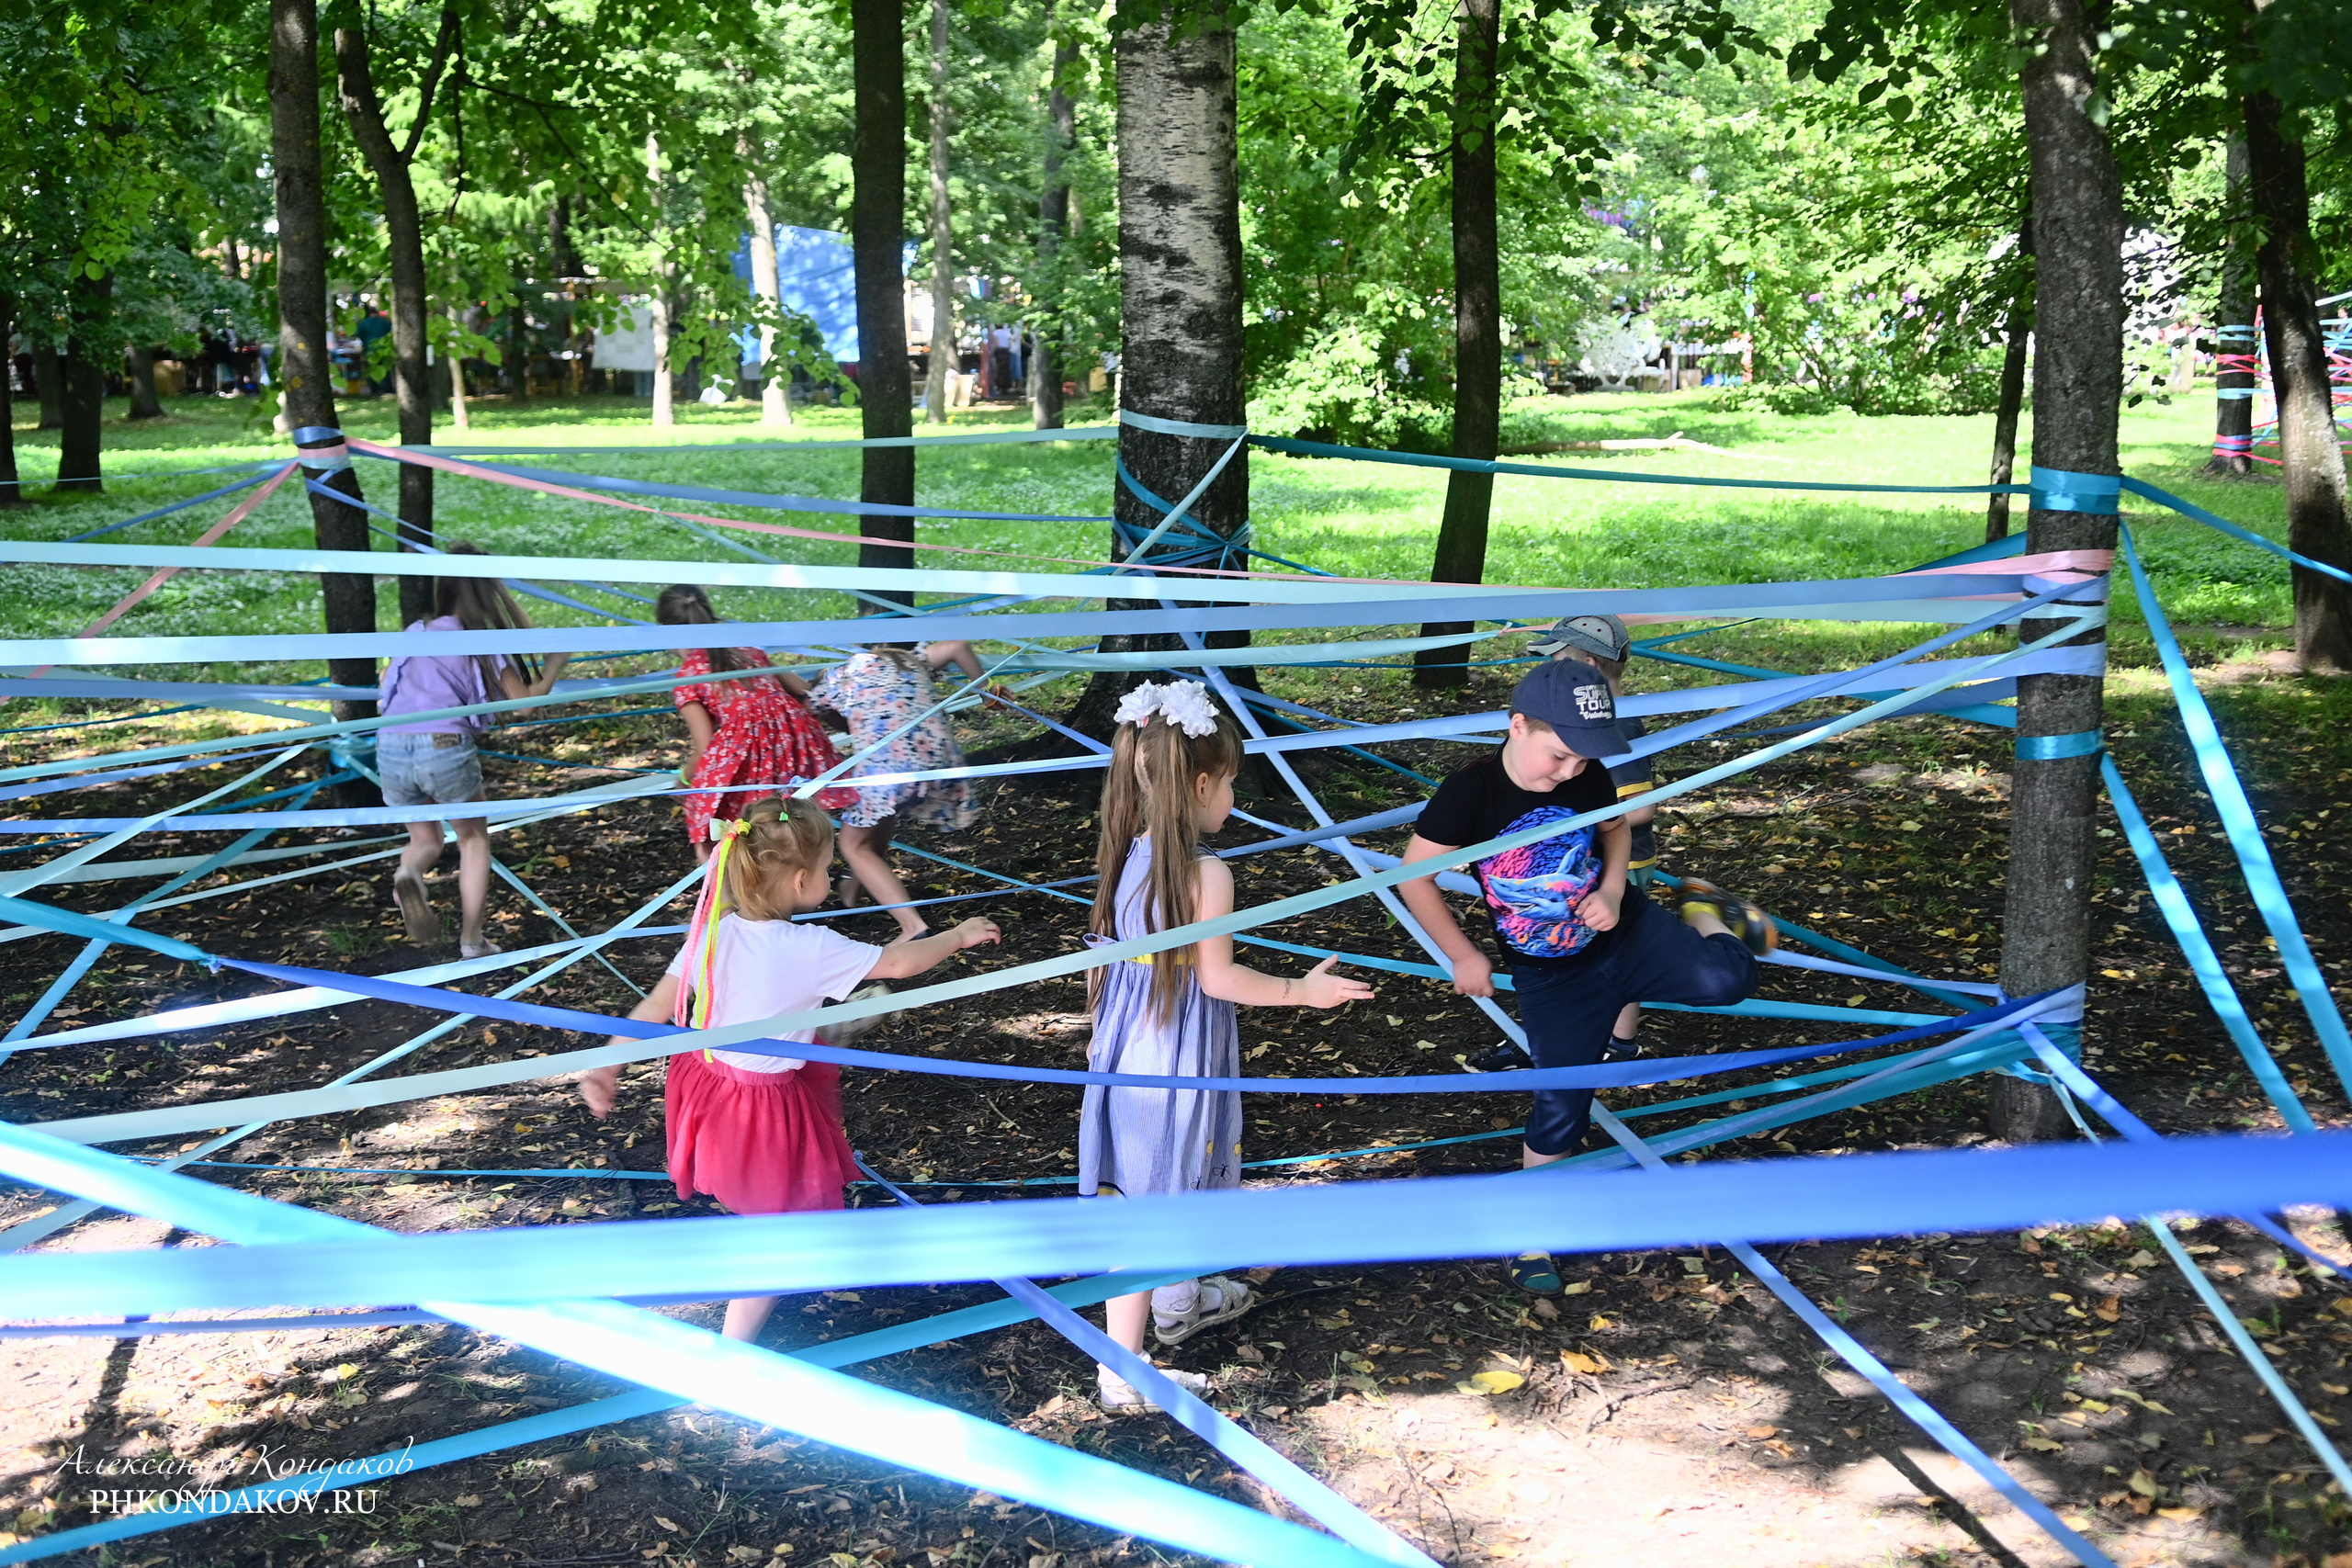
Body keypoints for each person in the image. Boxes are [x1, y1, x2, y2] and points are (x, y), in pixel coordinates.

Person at [1396, 658, 1771, 1294]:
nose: (1571, 771)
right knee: (1562, 1097)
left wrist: (1618, 889)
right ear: (1517, 726)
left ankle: (1705, 911)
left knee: (1725, 982)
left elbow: (1614, 831)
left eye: (1581, 760)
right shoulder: (1471, 791)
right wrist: (1462, 953)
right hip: (1551, 972)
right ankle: (1532, 1230)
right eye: (1560, 756)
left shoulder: (1588, 772)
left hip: (1626, 932)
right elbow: (1412, 875)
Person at [575, 797, 1001, 1341]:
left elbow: (658, 1004)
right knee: (785, 1228)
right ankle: (733, 1348)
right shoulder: (810, 946)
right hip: (761, 1103)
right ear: (801, 881)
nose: (829, 875)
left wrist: (609, 1062)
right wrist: (959, 935)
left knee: (765, 1199)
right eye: (828, 868)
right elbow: (900, 964)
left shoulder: (715, 929)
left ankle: (826, 1028)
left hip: (709, 1082)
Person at [1080, 680, 1373, 1409]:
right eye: (1232, 782)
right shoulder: (1207, 871)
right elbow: (1216, 977)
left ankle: (1171, 1304)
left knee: (1143, 1193)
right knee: (1156, 1201)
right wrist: (1300, 991)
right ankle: (1124, 1369)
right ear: (1203, 781)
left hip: (1130, 1044)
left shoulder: (1130, 851)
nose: (1233, 799)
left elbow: (1115, 959)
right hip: (1172, 1053)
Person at [1471, 613, 1659, 1071]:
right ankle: (1573, 1038)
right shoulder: (1580, 723)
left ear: (1588, 667)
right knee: (1569, 948)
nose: (1546, 672)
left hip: (1618, 868)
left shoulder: (1620, 728)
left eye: (1555, 662)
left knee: (1606, 953)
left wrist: (1572, 823)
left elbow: (1640, 810)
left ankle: (1611, 1041)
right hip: (1579, 868)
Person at [379, 543, 571, 958]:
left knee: (425, 839)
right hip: (443, 745)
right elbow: (522, 702)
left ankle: (408, 873)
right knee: (472, 839)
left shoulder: (415, 633)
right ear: (488, 591)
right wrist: (556, 663)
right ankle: (472, 940)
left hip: (390, 744)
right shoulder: (481, 639)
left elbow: (385, 689)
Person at [656, 584, 856, 857]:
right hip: (795, 741)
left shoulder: (690, 677)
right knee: (785, 817)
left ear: (665, 631)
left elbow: (704, 747)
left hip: (748, 748)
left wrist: (683, 779)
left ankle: (726, 893)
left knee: (704, 825)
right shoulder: (751, 652)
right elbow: (805, 694)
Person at [807, 642, 985, 939]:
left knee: (853, 844)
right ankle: (851, 892)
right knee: (880, 819)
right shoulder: (911, 660)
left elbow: (809, 708)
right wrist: (987, 691)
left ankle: (913, 927)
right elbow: (958, 646)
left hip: (888, 766)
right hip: (935, 761)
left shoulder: (839, 676)